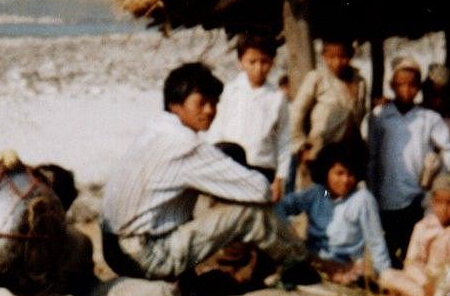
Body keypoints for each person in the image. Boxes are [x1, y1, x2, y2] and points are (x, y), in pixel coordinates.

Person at [99, 62, 309, 284]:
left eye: (214, 103)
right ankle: (299, 264)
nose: (210, 110)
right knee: (249, 213)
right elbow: (260, 191)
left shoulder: (155, 129)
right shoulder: (185, 144)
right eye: (201, 103)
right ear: (175, 105)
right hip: (144, 255)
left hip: (113, 247)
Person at [367, 57, 450, 266]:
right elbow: (372, 156)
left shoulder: (428, 118)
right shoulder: (380, 116)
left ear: (419, 88)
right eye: (400, 84)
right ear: (392, 85)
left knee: (414, 247)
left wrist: (439, 174)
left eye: (412, 85)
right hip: (386, 195)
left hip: (416, 196)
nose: (406, 90)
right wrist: (373, 189)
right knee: (388, 247)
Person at [276, 142, 391, 285]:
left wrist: (384, 275)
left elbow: (376, 242)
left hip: (344, 263)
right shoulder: (321, 193)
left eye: (350, 174)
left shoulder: (361, 199)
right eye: (340, 173)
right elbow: (281, 207)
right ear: (326, 172)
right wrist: (289, 232)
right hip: (312, 257)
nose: (345, 180)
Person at [207, 34, 294, 197]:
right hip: (231, 168)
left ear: (272, 62)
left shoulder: (277, 97)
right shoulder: (230, 92)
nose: (258, 68)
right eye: (252, 62)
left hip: (263, 170)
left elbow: (284, 140)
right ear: (241, 62)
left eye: (264, 62)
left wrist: (280, 178)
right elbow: (216, 130)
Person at [289, 37, 368, 187]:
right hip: (320, 150)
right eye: (332, 57)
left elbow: (360, 115)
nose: (337, 62)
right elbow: (297, 112)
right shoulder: (317, 78)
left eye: (343, 56)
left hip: (348, 153)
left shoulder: (360, 82)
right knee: (322, 194)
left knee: (344, 195)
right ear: (324, 56)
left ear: (351, 55)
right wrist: (301, 146)